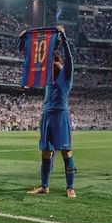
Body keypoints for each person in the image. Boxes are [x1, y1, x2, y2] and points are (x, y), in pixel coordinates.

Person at [25, 25, 76, 198]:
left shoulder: (66, 75)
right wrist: (25, 40)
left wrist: (64, 37)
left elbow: (69, 58)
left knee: (66, 152)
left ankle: (70, 188)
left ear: (60, 63)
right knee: (46, 152)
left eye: (55, 61)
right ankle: (44, 186)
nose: (52, 64)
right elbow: (32, 58)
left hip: (60, 115)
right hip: (46, 116)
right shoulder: (46, 77)